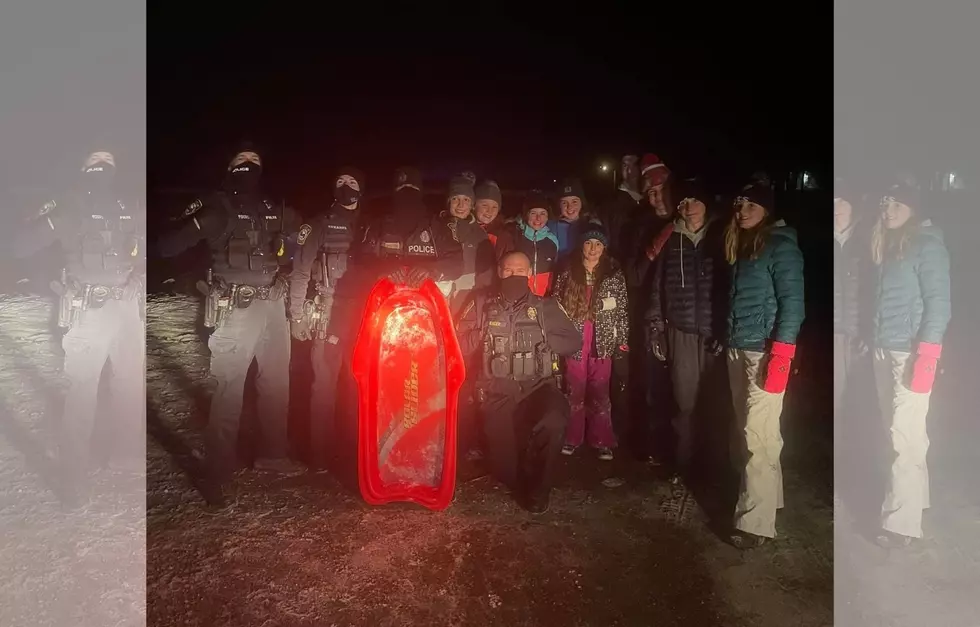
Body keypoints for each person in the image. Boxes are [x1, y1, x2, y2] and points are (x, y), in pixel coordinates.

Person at [155, 142, 304, 507]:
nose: (249, 165)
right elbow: (166, 246)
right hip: (236, 307)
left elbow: (302, 236)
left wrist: (292, 242)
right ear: (229, 168)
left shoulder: (272, 207)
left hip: (273, 304)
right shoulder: (215, 205)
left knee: (277, 383)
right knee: (229, 388)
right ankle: (217, 474)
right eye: (242, 160)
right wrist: (198, 224)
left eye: (255, 161)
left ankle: (273, 455)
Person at [10, 148, 145, 505]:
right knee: (107, 386)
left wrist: (34, 219)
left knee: (103, 387)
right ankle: (81, 474)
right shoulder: (114, 204)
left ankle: (107, 465)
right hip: (99, 307)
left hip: (114, 307)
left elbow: (20, 246)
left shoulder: (79, 206)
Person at [456, 251, 582, 513]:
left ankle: (539, 492)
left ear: (530, 275)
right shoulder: (479, 302)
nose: (514, 276)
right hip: (496, 390)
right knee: (505, 472)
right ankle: (517, 465)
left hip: (538, 386)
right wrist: (484, 331)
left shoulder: (546, 306)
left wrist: (545, 338)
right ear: (500, 272)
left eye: (520, 271)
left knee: (555, 418)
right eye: (509, 271)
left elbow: (574, 341)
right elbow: (458, 343)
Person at [723, 180, 805, 548]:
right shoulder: (742, 245)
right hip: (738, 347)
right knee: (754, 429)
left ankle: (754, 524)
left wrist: (782, 354)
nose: (742, 211)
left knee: (757, 433)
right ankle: (771, 499)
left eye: (750, 205)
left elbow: (793, 305)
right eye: (739, 203)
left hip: (765, 351)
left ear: (766, 210)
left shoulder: (781, 247)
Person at [869, 177, 950, 548]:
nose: (888, 210)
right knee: (903, 431)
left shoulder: (927, 246)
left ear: (913, 209)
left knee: (905, 436)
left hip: (911, 351)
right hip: (884, 348)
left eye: (896, 205)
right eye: (885, 203)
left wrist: (928, 353)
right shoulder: (888, 244)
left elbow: (939, 304)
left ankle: (901, 524)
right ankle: (920, 500)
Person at [646, 180, 728, 489]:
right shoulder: (670, 238)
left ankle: (716, 465)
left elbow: (731, 284)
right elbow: (656, 286)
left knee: (715, 401)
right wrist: (656, 326)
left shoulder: (721, 237)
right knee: (684, 401)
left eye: (695, 199)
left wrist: (725, 327)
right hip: (679, 330)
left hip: (712, 332)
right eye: (684, 200)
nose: (688, 205)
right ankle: (684, 464)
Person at [287, 166, 365, 470]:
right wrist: (297, 315)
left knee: (360, 382)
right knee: (324, 385)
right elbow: (300, 271)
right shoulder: (319, 224)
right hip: (329, 308)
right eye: (340, 181)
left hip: (364, 312)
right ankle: (320, 456)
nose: (346, 186)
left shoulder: (373, 225)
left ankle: (356, 453)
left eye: (353, 181)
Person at [552, 227, 629, 461]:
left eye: (598, 244)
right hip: (576, 335)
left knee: (600, 388)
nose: (593, 249)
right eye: (588, 243)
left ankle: (601, 439)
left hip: (602, 335)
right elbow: (556, 302)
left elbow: (622, 308)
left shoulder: (613, 273)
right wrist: (558, 336)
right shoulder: (568, 270)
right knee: (574, 387)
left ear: (604, 248)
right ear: (581, 246)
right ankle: (572, 437)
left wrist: (622, 340)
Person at [359, 166, 464, 289]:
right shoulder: (379, 226)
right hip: (386, 298)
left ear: (420, 193)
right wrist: (383, 268)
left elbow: (457, 263)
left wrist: (431, 269)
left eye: (413, 189)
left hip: (427, 300)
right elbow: (363, 258)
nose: (407, 195)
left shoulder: (436, 226)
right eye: (402, 189)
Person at [437, 175, 494, 314]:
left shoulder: (479, 235)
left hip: (467, 301)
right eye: (456, 199)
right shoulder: (434, 227)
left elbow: (486, 275)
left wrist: (478, 301)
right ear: (448, 201)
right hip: (437, 297)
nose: (461, 205)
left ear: (472, 204)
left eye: (466, 200)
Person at [512, 190, 559, 296]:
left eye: (543, 213)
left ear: (547, 217)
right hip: (520, 296)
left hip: (544, 296)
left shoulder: (552, 240)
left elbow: (555, 268)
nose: (538, 218)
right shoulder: (517, 236)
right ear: (526, 215)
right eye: (533, 213)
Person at [549, 177, 602, 268]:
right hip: (560, 273)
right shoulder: (550, 226)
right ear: (558, 205)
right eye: (564, 203)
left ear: (582, 202)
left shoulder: (591, 226)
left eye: (575, 202)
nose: (570, 207)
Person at [474, 179, 515, 261]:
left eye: (494, 207)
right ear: (473, 205)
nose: (490, 211)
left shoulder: (503, 236)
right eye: (485, 205)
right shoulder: (463, 228)